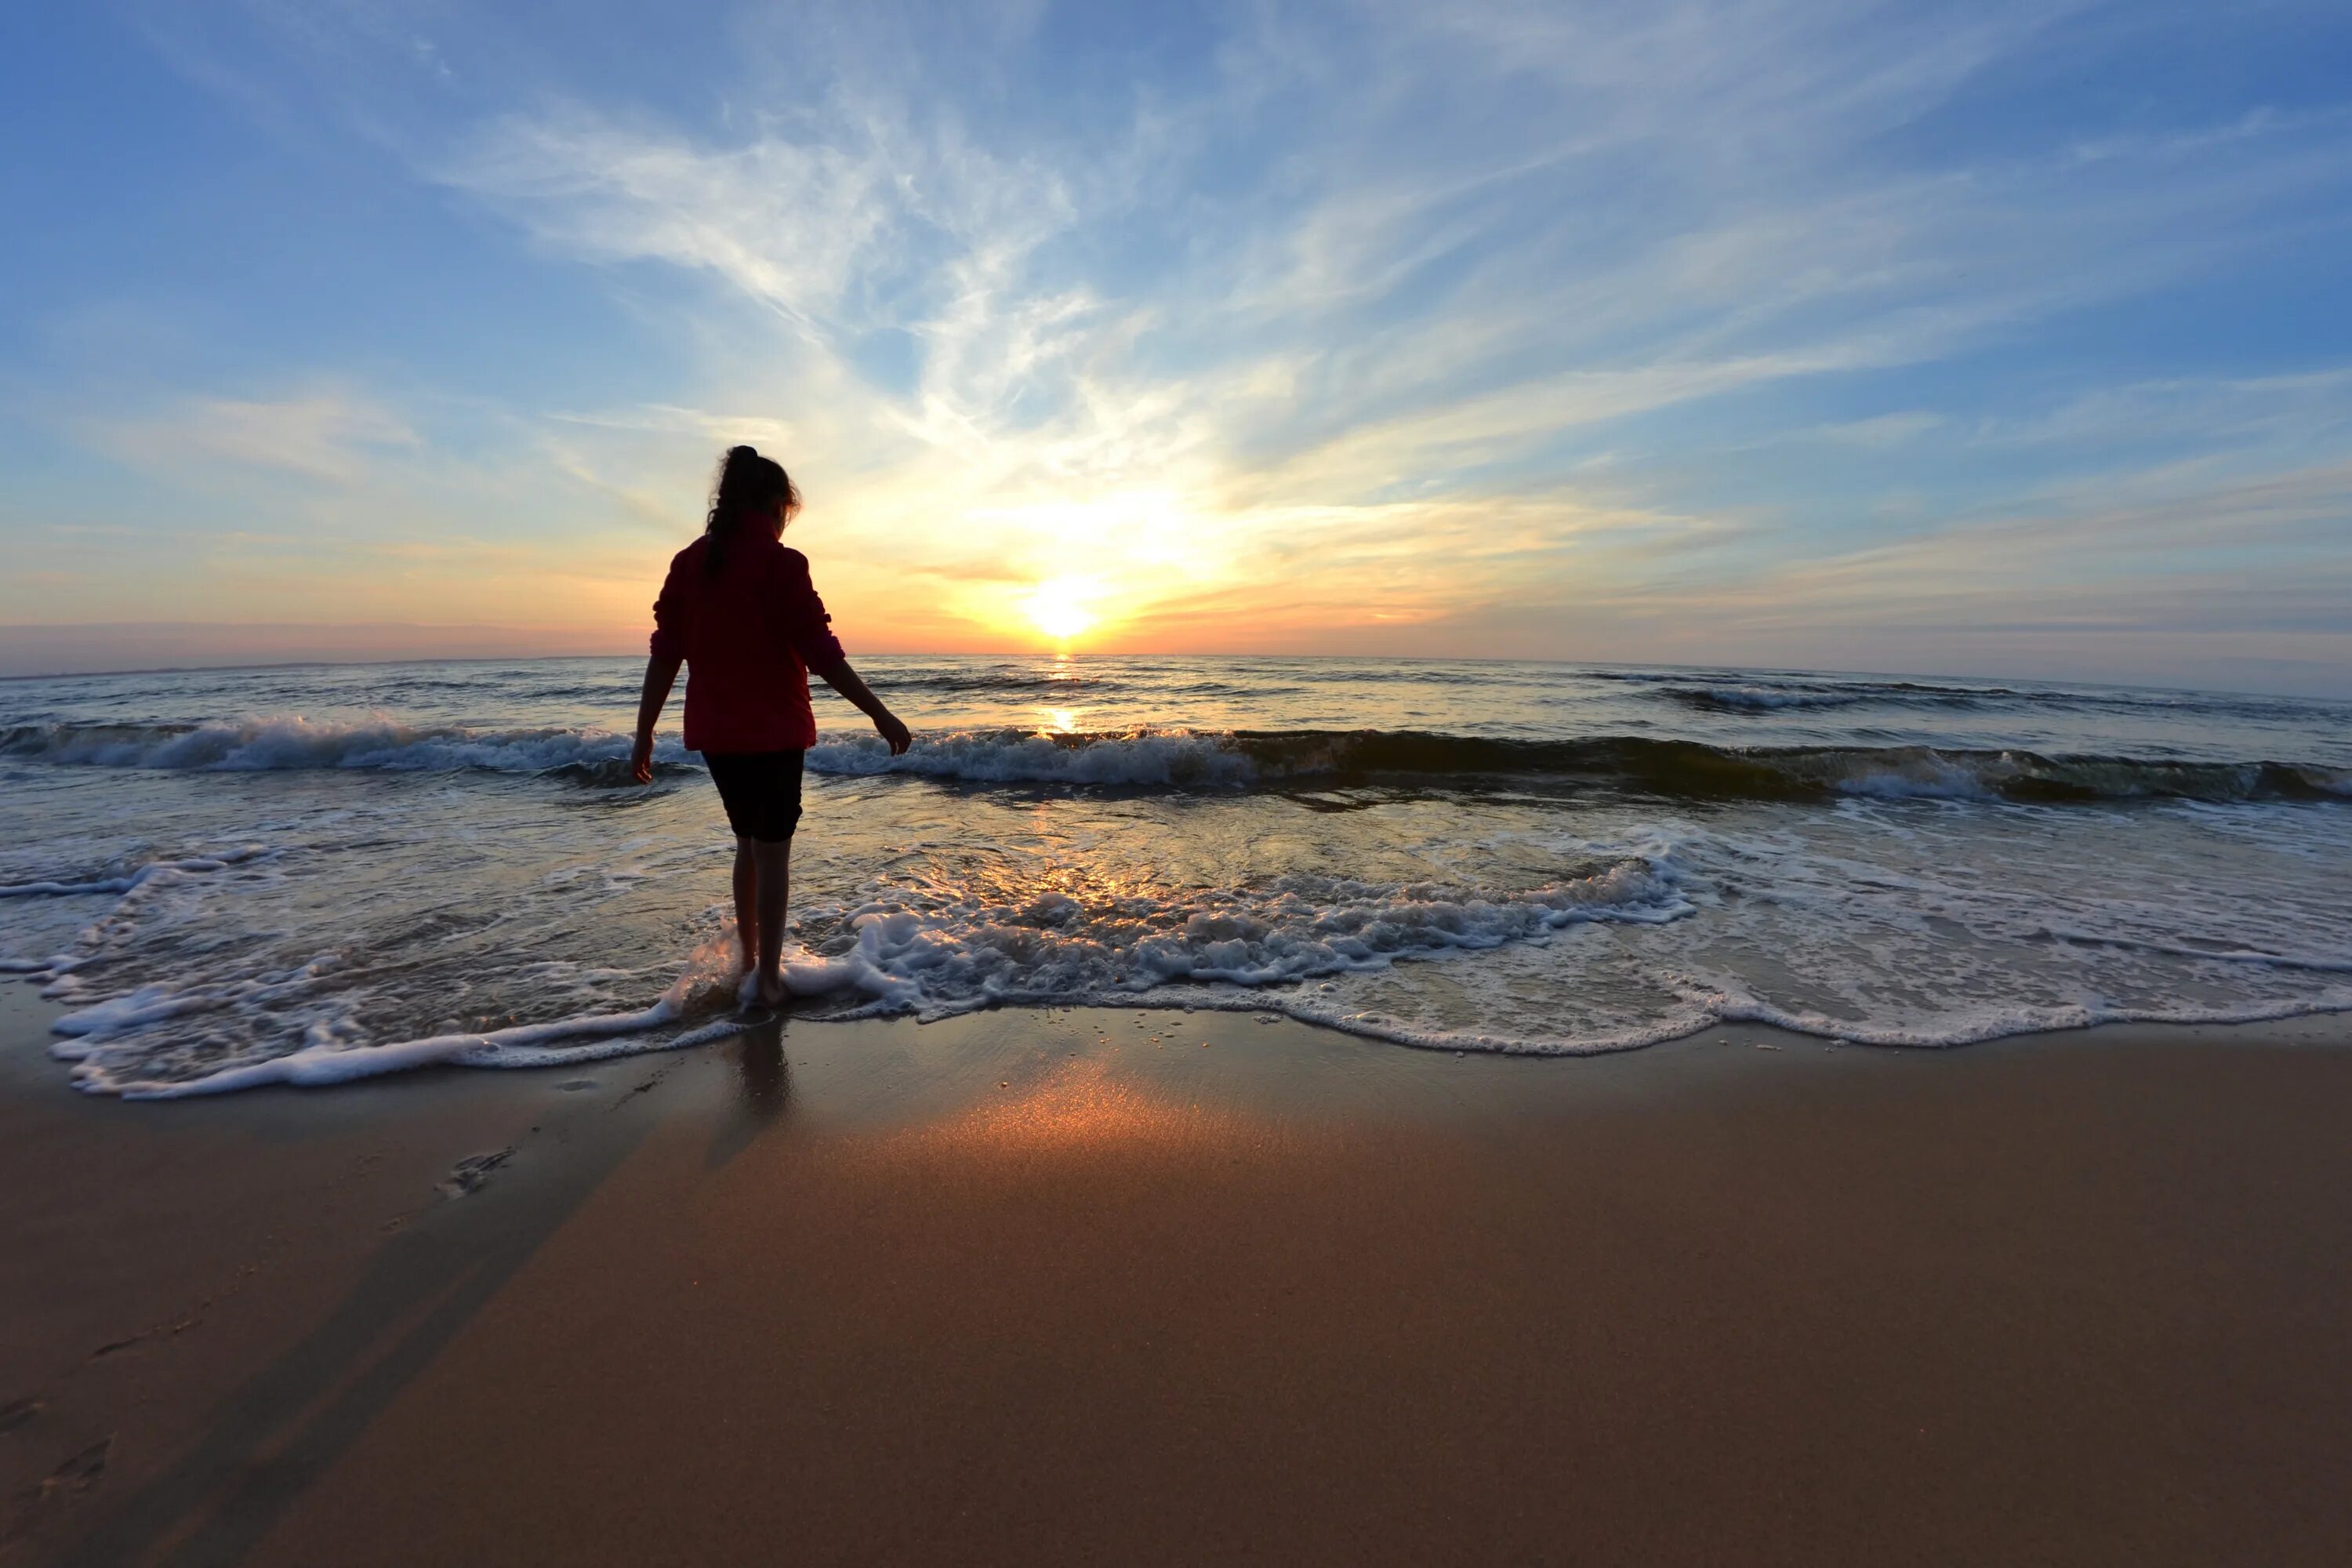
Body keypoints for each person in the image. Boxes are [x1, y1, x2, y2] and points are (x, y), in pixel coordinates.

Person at [630, 445, 911, 1008]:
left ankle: (753, 962)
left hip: (716, 734)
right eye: (786, 509)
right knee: (772, 852)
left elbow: (666, 653)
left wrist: (644, 732)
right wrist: (879, 713)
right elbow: (821, 652)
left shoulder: (690, 562)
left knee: (747, 843)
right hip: (775, 732)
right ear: (774, 505)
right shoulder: (783, 565)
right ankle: (771, 981)